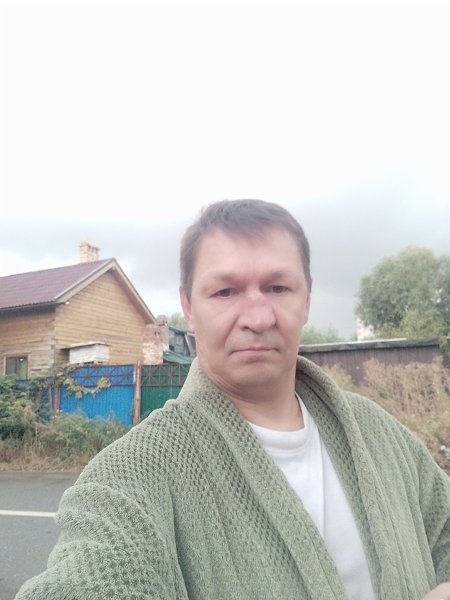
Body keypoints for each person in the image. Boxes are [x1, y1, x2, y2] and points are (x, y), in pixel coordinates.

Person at [16, 199, 450, 600]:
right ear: (189, 307)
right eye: (225, 292)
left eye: (278, 287)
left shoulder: (380, 434)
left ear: (307, 301)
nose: (258, 318)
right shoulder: (133, 475)